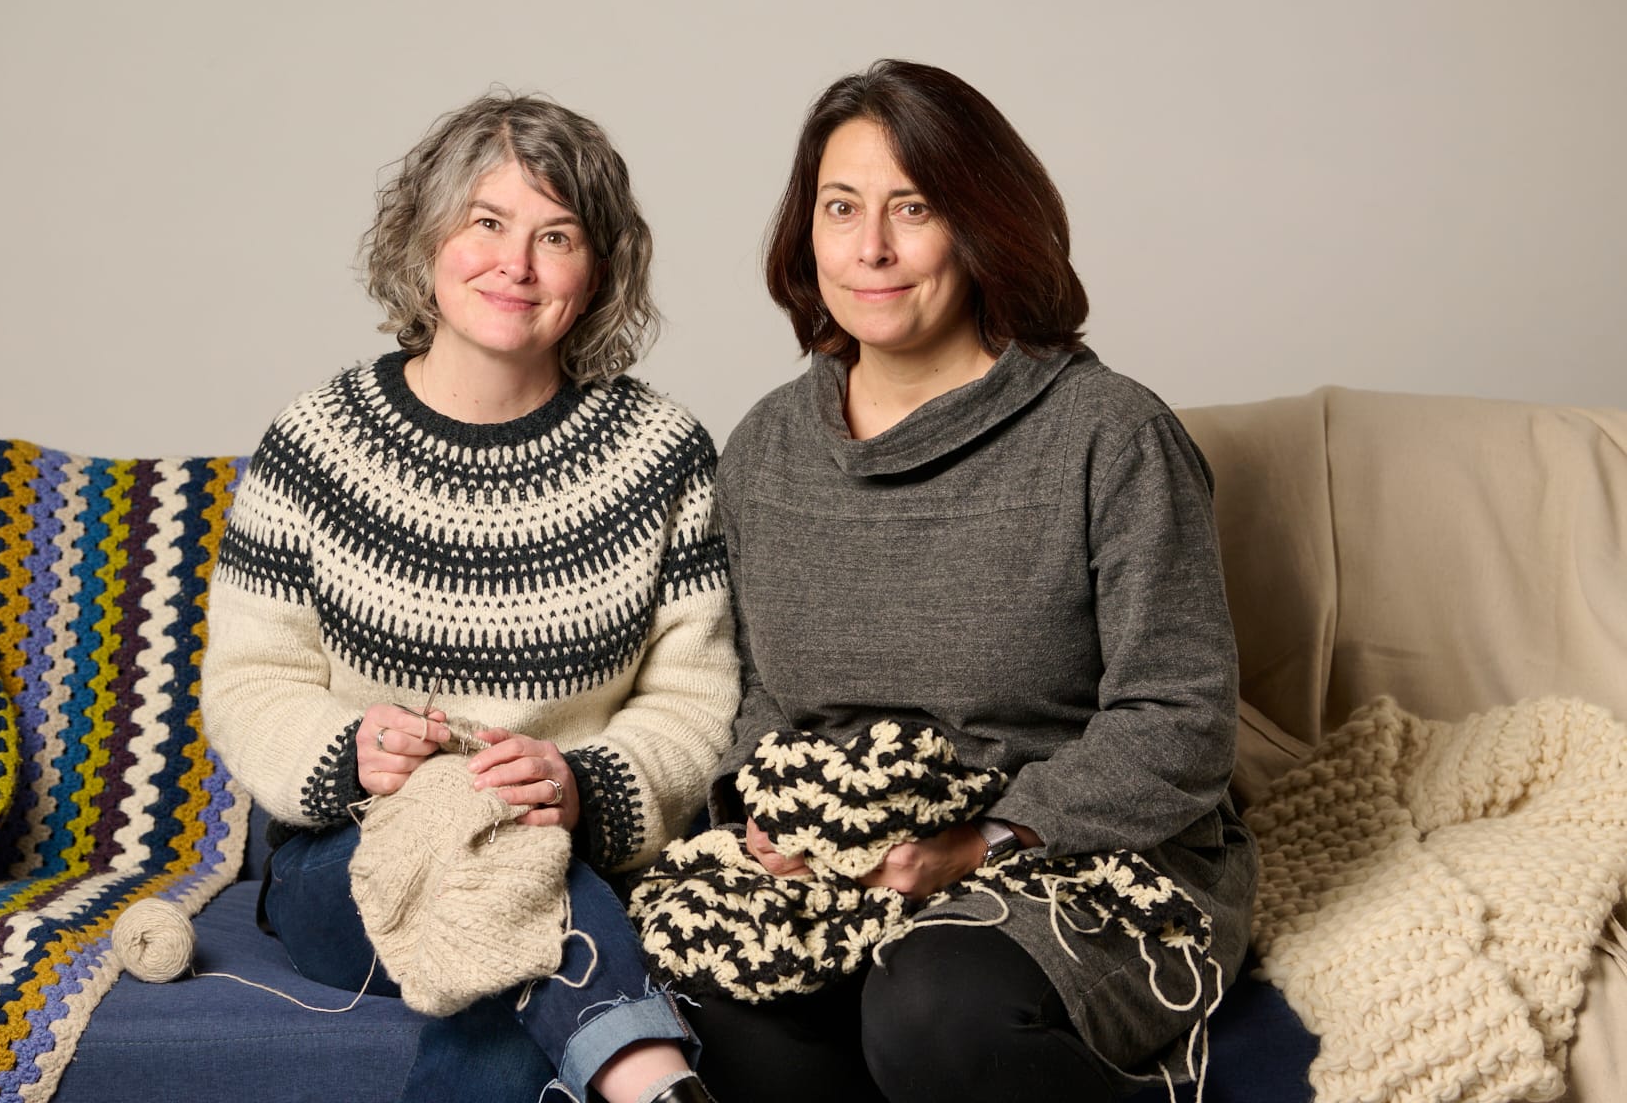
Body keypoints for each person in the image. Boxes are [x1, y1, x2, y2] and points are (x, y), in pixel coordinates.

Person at [686, 60, 1257, 1102]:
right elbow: (764, 694)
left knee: (932, 1008)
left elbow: (1181, 720)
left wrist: (980, 842)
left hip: (1072, 856)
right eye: (841, 207)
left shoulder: (1110, 435)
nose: (871, 249)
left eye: (915, 209)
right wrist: (762, 812)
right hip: (838, 867)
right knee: (715, 1010)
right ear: (802, 234)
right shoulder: (764, 449)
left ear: (986, 225)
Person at [200, 92, 735, 1103]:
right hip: (347, 860)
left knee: (518, 872)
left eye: (557, 236)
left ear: (601, 271)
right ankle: (646, 1072)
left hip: (575, 841)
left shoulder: (662, 454)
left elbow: (696, 701)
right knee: (482, 837)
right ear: (426, 239)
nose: (516, 264)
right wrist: (349, 749)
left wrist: (583, 783)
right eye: (486, 223)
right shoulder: (316, 443)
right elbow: (251, 677)